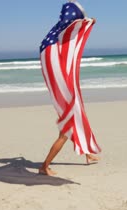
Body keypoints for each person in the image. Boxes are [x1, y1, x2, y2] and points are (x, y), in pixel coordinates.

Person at [38, 0, 101, 176]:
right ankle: (44, 166)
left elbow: (65, 22)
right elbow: (68, 21)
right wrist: (87, 21)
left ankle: (88, 155)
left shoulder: (56, 30)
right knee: (66, 132)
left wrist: (87, 21)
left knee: (78, 121)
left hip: (48, 50)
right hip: (65, 114)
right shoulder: (60, 30)